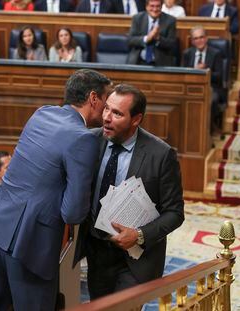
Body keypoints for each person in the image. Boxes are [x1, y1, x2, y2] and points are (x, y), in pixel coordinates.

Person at [0, 69, 112, 311]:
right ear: (94, 98)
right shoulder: (82, 139)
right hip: (30, 244)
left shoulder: (42, 113)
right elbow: (72, 213)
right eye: (106, 101)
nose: (107, 110)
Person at [74, 84, 184, 299]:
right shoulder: (90, 140)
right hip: (97, 251)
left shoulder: (161, 154)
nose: (107, 117)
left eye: (117, 113)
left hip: (136, 259)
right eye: (106, 109)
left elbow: (175, 213)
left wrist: (139, 235)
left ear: (136, 119)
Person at [181, 25, 223, 133]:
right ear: (192, 41)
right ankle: (188, 128)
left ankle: (206, 130)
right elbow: (181, 74)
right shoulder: (187, 53)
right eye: (196, 38)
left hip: (211, 87)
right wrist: (194, 70)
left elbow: (219, 76)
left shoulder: (216, 54)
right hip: (190, 86)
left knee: (211, 100)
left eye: (201, 37)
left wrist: (205, 71)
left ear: (206, 38)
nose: (199, 40)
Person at [127, 0, 177, 66]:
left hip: (161, 63)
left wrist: (158, 38)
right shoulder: (138, 18)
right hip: (139, 61)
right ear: (146, 7)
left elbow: (172, 44)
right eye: (152, 6)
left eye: (157, 6)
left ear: (161, 7)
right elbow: (130, 40)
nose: (155, 9)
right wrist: (146, 38)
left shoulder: (170, 20)